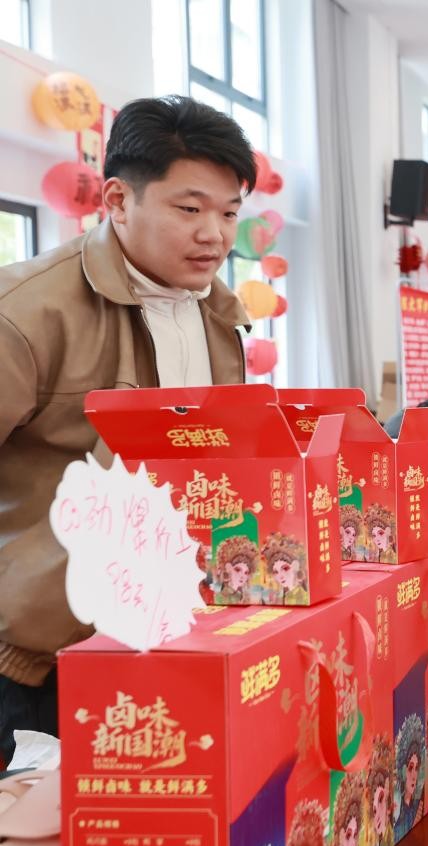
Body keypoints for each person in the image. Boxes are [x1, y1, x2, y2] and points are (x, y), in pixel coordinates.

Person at [0, 95, 256, 763]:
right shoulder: (25, 313)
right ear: (117, 199)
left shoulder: (218, 315)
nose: (214, 235)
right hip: (37, 659)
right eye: (189, 209)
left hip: (172, 637)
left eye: (229, 213)